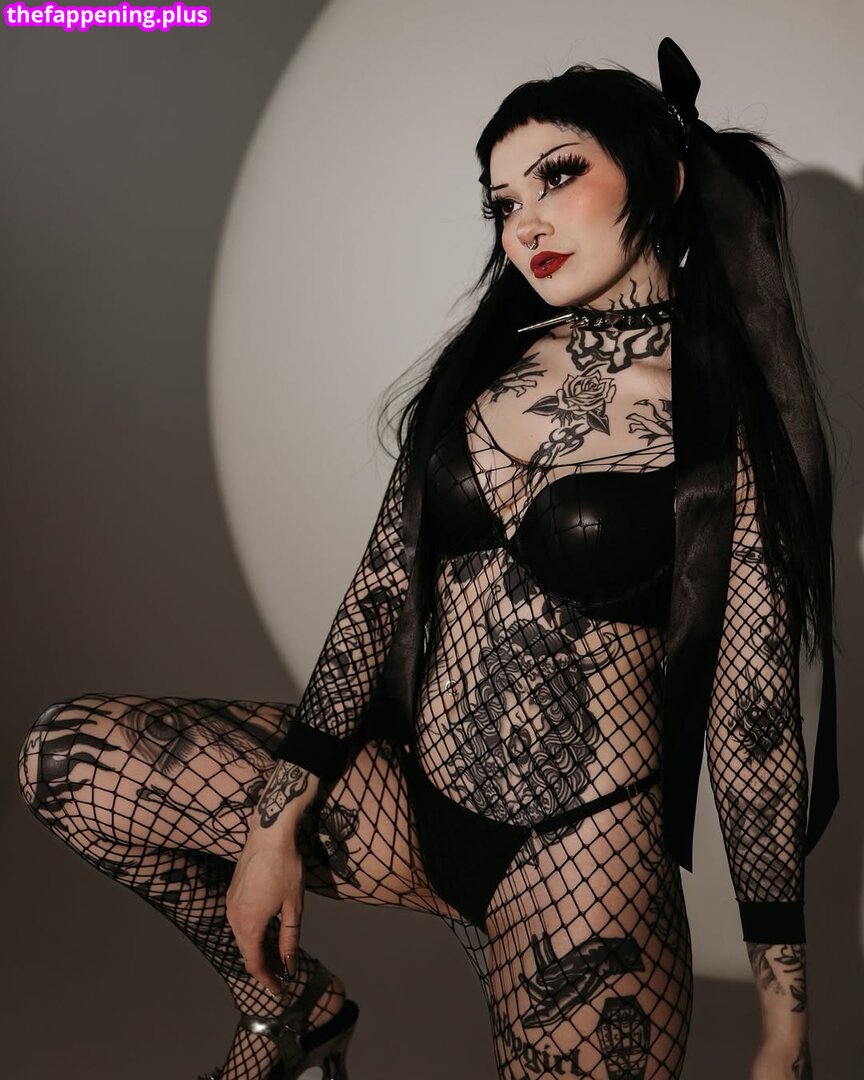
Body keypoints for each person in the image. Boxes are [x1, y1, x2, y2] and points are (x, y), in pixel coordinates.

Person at [17, 37, 838, 1080]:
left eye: (557, 176)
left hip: (579, 864)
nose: (525, 223)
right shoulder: (484, 369)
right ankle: (293, 1013)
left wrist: (783, 1019)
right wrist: (275, 822)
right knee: (67, 761)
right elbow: (378, 595)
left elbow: (753, 716)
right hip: (403, 804)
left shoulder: (722, 430)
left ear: (666, 177)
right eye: (502, 203)